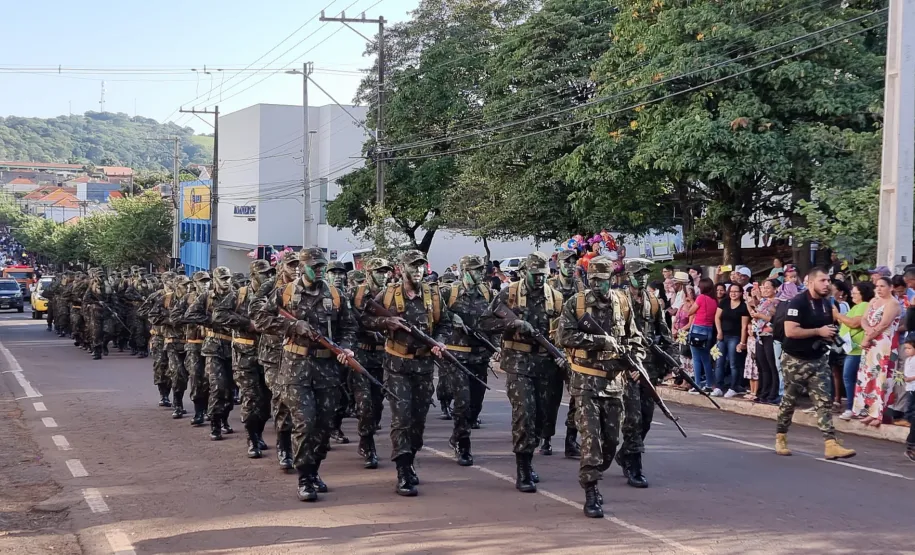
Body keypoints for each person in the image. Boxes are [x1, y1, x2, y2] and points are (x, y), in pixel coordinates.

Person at [556, 256, 645, 518]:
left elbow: (635, 337)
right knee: (591, 440)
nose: (596, 285)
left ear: (612, 280)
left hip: (614, 384)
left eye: (602, 280)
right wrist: (600, 341)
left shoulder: (622, 303)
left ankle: (599, 470)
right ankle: (591, 490)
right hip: (585, 382)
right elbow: (565, 336)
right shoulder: (577, 303)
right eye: (592, 279)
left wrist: (635, 360)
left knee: (610, 442)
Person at [362, 250, 452, 497]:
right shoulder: (389, 294)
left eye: (422, 266)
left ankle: (410, 459)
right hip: (397, 365)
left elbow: (445, 322)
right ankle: (402, 469)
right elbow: (364, 318)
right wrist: (385, 323)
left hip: (423, 367)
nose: (419, 270)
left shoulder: (433, 295)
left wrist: (440, 341)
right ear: (402, 269)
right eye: (414, 266)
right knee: (402, 418)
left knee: (418, 421)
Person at [274, 248, 357, 502]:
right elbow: (259, 319)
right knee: (305, 424)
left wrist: (346, 347)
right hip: (296, 367)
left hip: (327, 369)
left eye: (321, 265)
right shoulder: (285, 293)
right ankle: (305, 477)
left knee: (323, 427)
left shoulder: (335, 294)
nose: (319, 269)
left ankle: (314, 469)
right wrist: (291, 325)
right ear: (301, 267)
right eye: (314, 265)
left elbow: (349, 326)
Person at [480, 252, 562, 494]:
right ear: (525, 272)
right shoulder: (510, 294)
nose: (540, 280)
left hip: (546, 366)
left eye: (544, 275)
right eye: (535, 275)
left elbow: (564, 331)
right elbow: (484, 323)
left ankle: (532, 451)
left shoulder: (556, 298)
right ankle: (523, 466)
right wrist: (510, 324)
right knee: (524, 413)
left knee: (543, 417)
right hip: (518, 364)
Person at [775, 268, 856, 460]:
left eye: (828, 280)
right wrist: (818, 331)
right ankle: (781, 436)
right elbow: (791, 331)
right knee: (789, 401)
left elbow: (829, 328)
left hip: (818, 359)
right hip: (795, 359)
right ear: (811, 283)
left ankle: (830, 443)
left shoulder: (828, 304)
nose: (827, 284)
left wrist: (831, 336)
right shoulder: (798, 302)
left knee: (824, 402)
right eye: (822, 280)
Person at [439, 255, 498, 466]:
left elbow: (495, 320)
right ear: (465, 271)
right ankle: (463, 445)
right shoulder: (449, 292)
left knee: (475, 405)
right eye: (475, 269)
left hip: (480, 356)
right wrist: (450, 317)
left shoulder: (487, 292)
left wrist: (496, 346)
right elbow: (432, 311)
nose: (480, 273)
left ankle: (457, 435)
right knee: (462, 402)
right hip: (456, 356)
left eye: (481, 269)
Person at [618, 260, 671, 488]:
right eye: (637, 274)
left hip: (648, 369)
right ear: (627, 276)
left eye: (644, 274)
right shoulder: (617, 301)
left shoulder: (653, 301)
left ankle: (625, 453)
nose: (641, 278)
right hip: (626, 368)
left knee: (647, 418)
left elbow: (665, 334)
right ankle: (635, 466)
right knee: (633, 418)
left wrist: (672, 362)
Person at [216, 260, 273, 458]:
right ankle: (252, 438)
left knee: (267, 402)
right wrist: (247, 324)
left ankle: (258, 433)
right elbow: (219, 315)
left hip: (269, 356)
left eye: (269, 273)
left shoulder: (273, 295)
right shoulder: (239, 295)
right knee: (251, 397)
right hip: (244, 356)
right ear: (253, 275)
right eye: (263, 273)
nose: (267, 276)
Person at [251, 251, 299, 470]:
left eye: (299, 265)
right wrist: (287, 324)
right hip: (273, 353)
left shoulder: (307, 287)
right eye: (291, 265)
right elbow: (255, 313)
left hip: (298, 353)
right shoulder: (269, 286)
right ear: (282, 267)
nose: (296, 268)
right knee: (280, 398)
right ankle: (284, 447)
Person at [348, 257, 393, 469]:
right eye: (379, 271)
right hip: (361, 354)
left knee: (377, 404)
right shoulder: (355, 294)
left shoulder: (393, 294)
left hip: (383, 356)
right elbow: (347, 322)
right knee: (364, 403)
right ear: (369, 273)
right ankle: (367, 443)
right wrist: (366, 330)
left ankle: (369, 433)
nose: (383, 275)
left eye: (386, 271)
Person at [184, 266, 236, 441]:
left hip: (234, 347)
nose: (225, 281)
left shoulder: (238, 296)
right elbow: (190, 314)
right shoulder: (207, 297)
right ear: (215, 280)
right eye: (222, 278)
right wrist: (210, 322)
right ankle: (214, 422)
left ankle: (224, 419)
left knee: (230, 390)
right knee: (217, 386)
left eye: (228, 278)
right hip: (213, 347)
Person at [544, 249, 585, 458]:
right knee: (550, 397)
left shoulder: (580, 287)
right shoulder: (549, 288)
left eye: (573, 262)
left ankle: (571, 440)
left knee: (577, 397)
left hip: (575, 350)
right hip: (551, 349)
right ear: (557, 264)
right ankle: (546, 438)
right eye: (566, 262)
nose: (570, 266)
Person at [853, 276, 901, 427]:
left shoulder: (893, 303)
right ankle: (868, 410)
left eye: (882, 286)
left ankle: (879, 414)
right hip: (871, 341)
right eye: (877, 286)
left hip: (884, 343)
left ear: (891, 287)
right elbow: (864, 319)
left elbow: (884, 324)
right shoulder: (874, 301)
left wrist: (868, 337)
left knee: (881, 378)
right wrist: (867, 331)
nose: (879, 289)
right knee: (868, 376)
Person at [834, 282, 872, 420]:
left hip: (856, 349)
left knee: (849, 378)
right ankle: (854, 407)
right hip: (851, 348)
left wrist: (837, 315)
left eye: (855, 293)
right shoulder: (856, 306)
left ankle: (851, 407)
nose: (852, 295)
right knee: (850, 378)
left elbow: (854, 323)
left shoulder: (863, 306)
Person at [714, 284, 750, 397]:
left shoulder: (743, 306)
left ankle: (733, 387)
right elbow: (717, 317)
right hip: (722, 336)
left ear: (740, 293)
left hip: (735, 337)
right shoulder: (724, 302)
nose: (733, 293)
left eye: (736, 291)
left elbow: (744, 326)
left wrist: (742, 342)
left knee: (733, 363)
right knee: (719, 362)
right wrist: (719, 331)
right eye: (731, 291)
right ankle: (718, 386)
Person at [750, 280, 780, 404]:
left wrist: (760, 316)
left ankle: (773, 393)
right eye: (764, 287)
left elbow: (775, 319)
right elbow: (754, 314)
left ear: (775, 289)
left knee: (771, 365)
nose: (765, 289)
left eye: (768, 287)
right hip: (759, 334)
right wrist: (752, 300)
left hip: (770, 335)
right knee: (761, 365)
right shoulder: (763, 301)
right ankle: (762, 392)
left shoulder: (778, 302)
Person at [687, 278, 717, 391]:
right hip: (709, 329)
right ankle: (709, 384)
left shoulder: (701, 298)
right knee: (706, 359)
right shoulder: (714, 300)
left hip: (697, 329)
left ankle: (697, 384)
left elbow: (690, 312)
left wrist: (690, 302)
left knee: (696, 359)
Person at [672, 285, 695, 390]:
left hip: (686, 333)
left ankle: (688, 382)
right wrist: (674, 329)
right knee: (681, 358)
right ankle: (681, 380)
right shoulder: (681, 306)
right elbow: (676, 318)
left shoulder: (693, 306)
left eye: (689, 293)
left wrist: (680, 331)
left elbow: (690, 323)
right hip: (680, 333)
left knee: (688, 359)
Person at [902, 339, 915, 462]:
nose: (906, 351)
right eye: (906, 348)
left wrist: (911, 378)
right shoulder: (908, 360)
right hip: (911, 389)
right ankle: (911, 447)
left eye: (909, 348)